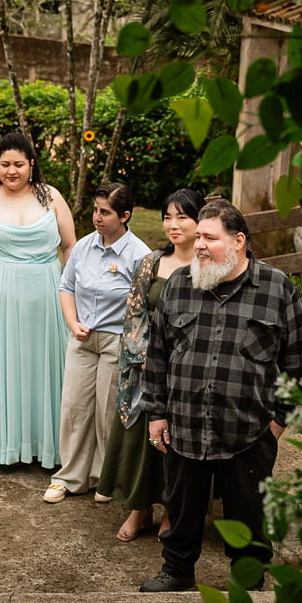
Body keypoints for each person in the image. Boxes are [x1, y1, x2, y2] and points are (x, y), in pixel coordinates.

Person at [138, 200, 302, 592]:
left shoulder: (277, 289)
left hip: (250, 432)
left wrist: (277, 423)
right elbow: (157, 356)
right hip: (184, 425)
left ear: (238, 242)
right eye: (197, 235)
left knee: (249, 512)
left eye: (208, 237)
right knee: (182, 505)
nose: (198, 244)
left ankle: (248, 577)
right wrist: (157, 413)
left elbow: (301, 366)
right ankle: (177, 571)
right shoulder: (179, 286)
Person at [0, 132, 76, 466]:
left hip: (47, 293)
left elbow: (70, 246)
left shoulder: (51, 197)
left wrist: (71, 291)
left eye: (19, 164)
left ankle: (47, 445)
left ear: (31, 165)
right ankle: (6, 446)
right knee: (4, 365)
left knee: (47, 365)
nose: (12, 170)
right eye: (5, 164)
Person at [95, 188, 201, 541]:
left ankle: (173, 510)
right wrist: (148, 358)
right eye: (167, 217)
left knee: (175, 443)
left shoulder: (207, 266)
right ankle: (140, 508)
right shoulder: (152, 262)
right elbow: (134, 313)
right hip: (146, 368)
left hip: (189, 370)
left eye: (182, 217)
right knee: (141, 441)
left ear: (200, 220)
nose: (173, 225)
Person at [44, 183, 151, 503]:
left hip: (116, 342)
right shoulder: (83, 247)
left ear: (125, 216)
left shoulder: (140, 255)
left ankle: (104, 478)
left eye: (105, 212)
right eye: (95, 210)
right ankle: (69, 477)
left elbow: (145, 307)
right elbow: (66, 287)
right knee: (74, 408)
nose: (97, 217)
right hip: (81, 338)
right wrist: (71, 321)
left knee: (108, 412)